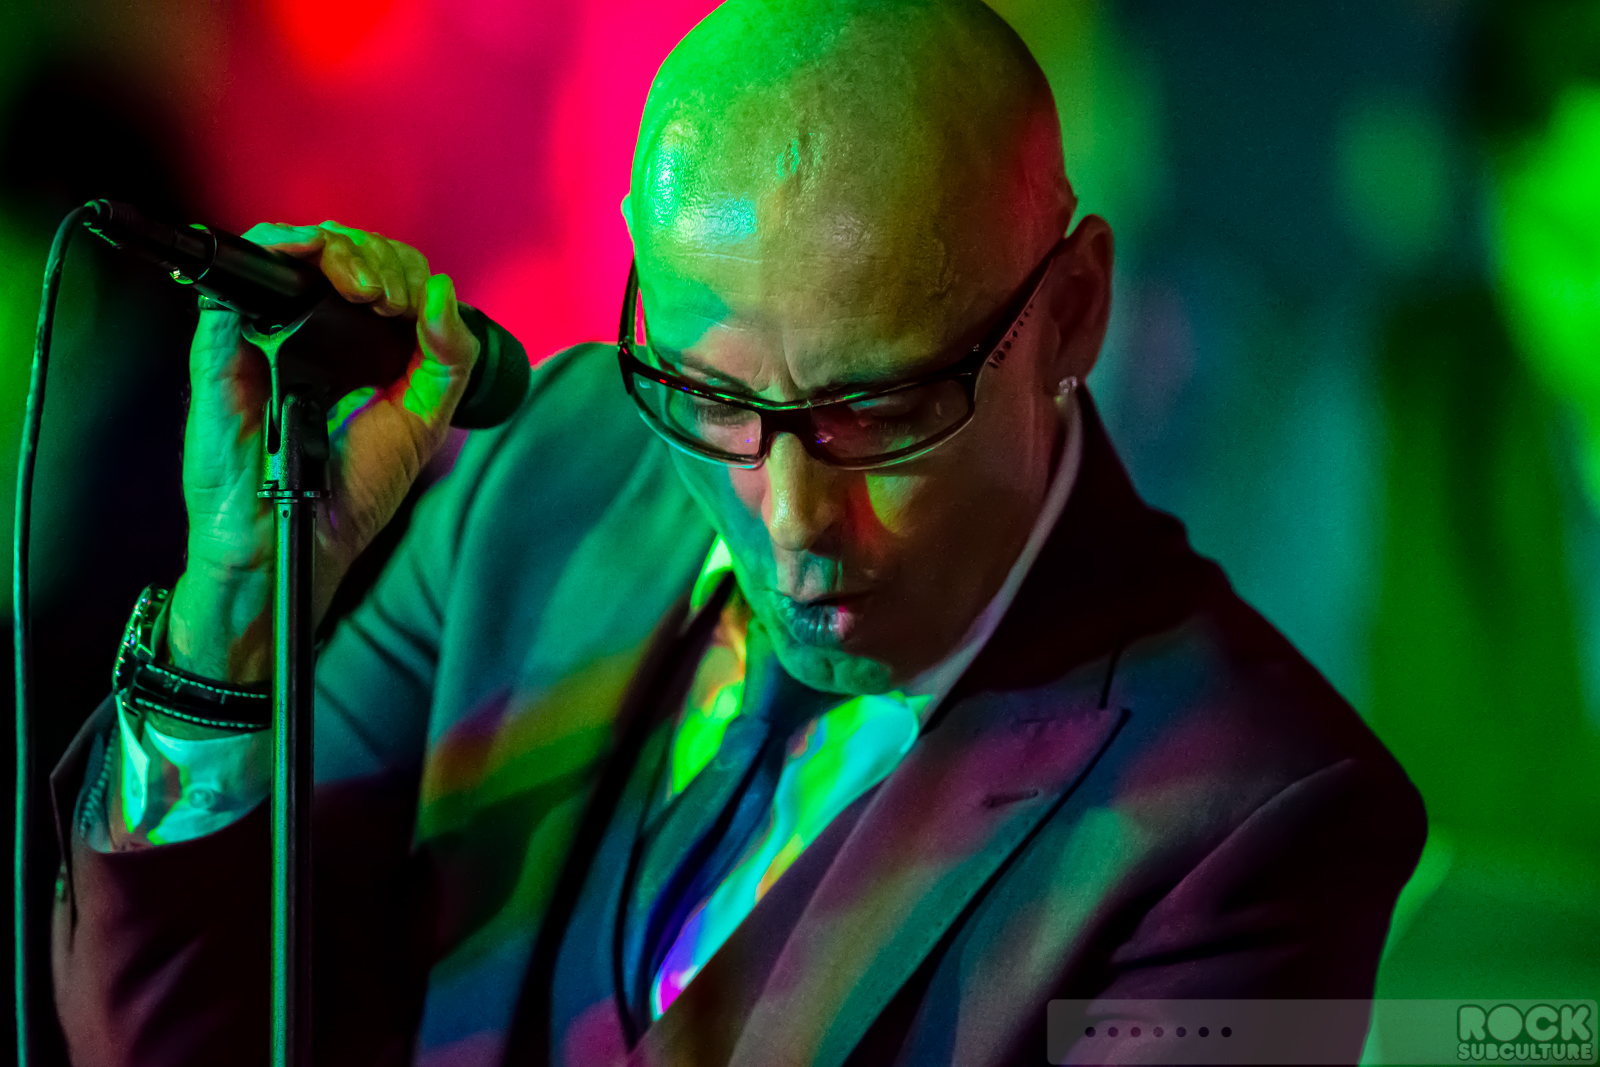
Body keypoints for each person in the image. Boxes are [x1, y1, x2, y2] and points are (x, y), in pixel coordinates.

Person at [50, 1, 1426, 1065]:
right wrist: (237, 614)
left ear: (1070, 314)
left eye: (880, 412)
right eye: (709, 400)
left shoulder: (1256, 811)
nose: (795, 519)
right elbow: (170, 1043)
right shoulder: (555, 464)